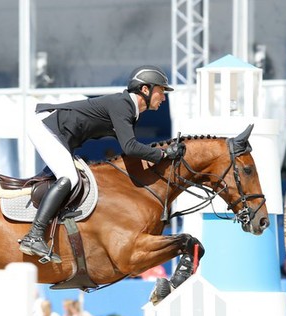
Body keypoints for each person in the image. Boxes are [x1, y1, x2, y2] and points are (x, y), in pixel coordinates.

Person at [18, 65, 185, 263]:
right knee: (69, 177)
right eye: (161, 91)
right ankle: (34, 236)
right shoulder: (123, 105)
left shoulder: (129, 111)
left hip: (60, 135)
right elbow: (131, 147)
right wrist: (164, 153)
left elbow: (131, 152)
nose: (163, 98)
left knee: (75, 175)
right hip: (46, 127)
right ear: (145, 90)